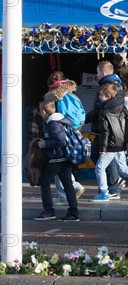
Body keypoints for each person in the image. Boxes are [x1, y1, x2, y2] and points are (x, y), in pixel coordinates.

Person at [90, 83, 128, 202]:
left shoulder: (104, 111)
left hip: (111, 145)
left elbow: (105, 131)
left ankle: (104, 193)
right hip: (121, 143)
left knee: (99, 167)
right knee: (123, 167)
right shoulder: (121, 106)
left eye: (101, 95)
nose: (99, 98)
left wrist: (102, 149)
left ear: (108, 96)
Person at [43, 71, 86, 204]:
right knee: (64, 160)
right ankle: (68, 192)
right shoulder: (72, 93)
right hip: (76, 126)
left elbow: (58, 115)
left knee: (58, 159)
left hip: (63, 128)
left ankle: (67, 192)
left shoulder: (57, 96)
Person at [33, 100, 80, 222]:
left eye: (40, 111)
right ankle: (74, 212)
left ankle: (48, 210)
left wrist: (44, 144)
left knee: (45, 181)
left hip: (56, 157)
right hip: (66, 156)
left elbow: (60, 140)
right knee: (68, 184)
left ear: (44, 111)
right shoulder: (63, 120)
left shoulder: (52, 123)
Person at [86, 61, 124, 199]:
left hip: (105, 129)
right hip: (110, 128)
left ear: (102, 73)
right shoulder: (118, 85)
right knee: (107, 159)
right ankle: (111, 187)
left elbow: (99, 109)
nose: (96, 75)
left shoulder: (107, 87)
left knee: (101, 157)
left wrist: (84, 119)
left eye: (97, 73)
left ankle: (111, 189)